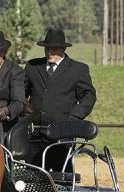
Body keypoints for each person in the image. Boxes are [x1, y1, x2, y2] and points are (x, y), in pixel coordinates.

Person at [25, 29, 96, 171]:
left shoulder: (78, 69)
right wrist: (23, 107)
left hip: (62, 135)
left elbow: (89, 96)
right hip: (35, 134)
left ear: (63, 49)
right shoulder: (32, 66)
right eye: (47, 48)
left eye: (54, 49)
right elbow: (21, 91)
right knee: (33, 176)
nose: (49, 52)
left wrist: (73, 118)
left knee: (62, 177)